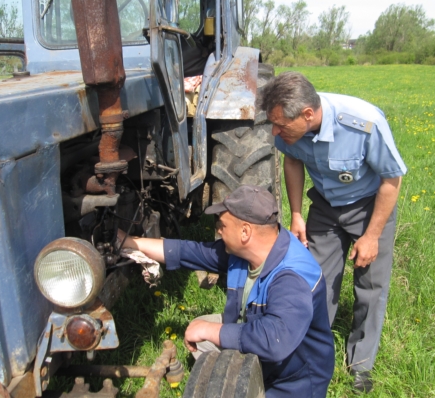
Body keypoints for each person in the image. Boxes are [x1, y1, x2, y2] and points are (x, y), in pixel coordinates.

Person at [257, 71, 406, 393]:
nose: (275, 132)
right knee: (314, 281)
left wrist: (371, 236)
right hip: (324, 207)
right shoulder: (290, 126)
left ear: (308, 114)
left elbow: (391, 180)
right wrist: (296, 214)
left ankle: (361, 364)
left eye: (281, 125)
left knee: (370, 286)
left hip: (370, 207)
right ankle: (309, 353)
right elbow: (293, 163)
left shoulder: (363, 123)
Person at [120, 185, 334, 398]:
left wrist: (209, 330)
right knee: (203, 331)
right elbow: (190, 252)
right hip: (267, 354)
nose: (219, 230)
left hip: (291, 383)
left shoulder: (291, 278)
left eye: (222, 225)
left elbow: (275, 341)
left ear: (245, 231)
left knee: (206, 331)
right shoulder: (249, 251)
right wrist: (130, 243)